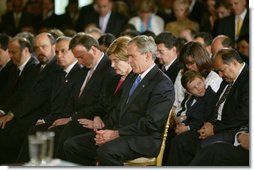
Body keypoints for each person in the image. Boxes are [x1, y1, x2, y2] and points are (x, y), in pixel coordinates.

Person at [63, 35, 175, 166]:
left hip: (143, 139)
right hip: (121, 134)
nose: (129, 60)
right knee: (72, 145)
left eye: (132, 56)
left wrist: (116, 134)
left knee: (106, 151)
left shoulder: (162, 83)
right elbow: (118, 110)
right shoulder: (132, 77)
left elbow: (151, 123)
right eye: (128, 56)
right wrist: (104, 132)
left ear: (148, 56)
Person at [168, 48, 249, 166]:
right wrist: (208, 123)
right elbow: (215, 105)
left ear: (234, 63)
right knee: (179, 142)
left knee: (205, 147)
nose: (220, 75)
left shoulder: (248, 79)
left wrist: (214, 128)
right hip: (214, 125)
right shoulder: (227, 79)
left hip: (231, 130)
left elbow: (244, 114)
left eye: (221, 70)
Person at [48, 33, 117, 160]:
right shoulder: (84, 69)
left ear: (94, 50)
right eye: (77, 58)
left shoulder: (110, 68)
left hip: (96, 122)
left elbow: (102, 104)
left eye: (81, 57)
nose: (79, 62)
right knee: (50, 132)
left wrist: (71, 118)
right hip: (80, 117)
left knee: (68, 132)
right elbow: (74, 99)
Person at [0, 33, 61, 164]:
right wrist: (7, 112)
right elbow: (22, 93)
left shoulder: (58, 68)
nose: (40, 51)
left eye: (44, 47)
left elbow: (39, 97)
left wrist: (12, 114)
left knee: (9, 132)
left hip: (43, 113)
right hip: (27, 111)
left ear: (53, 46)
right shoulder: (35, 67)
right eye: (37, 48)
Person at [174, 42, 222, 115]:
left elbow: (206, 109)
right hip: (178, 116)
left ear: (201, 59)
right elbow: (175, 102)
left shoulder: (213, 78)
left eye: (192, 63)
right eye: (186, 63)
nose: (189, 67)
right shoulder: (182, 73)